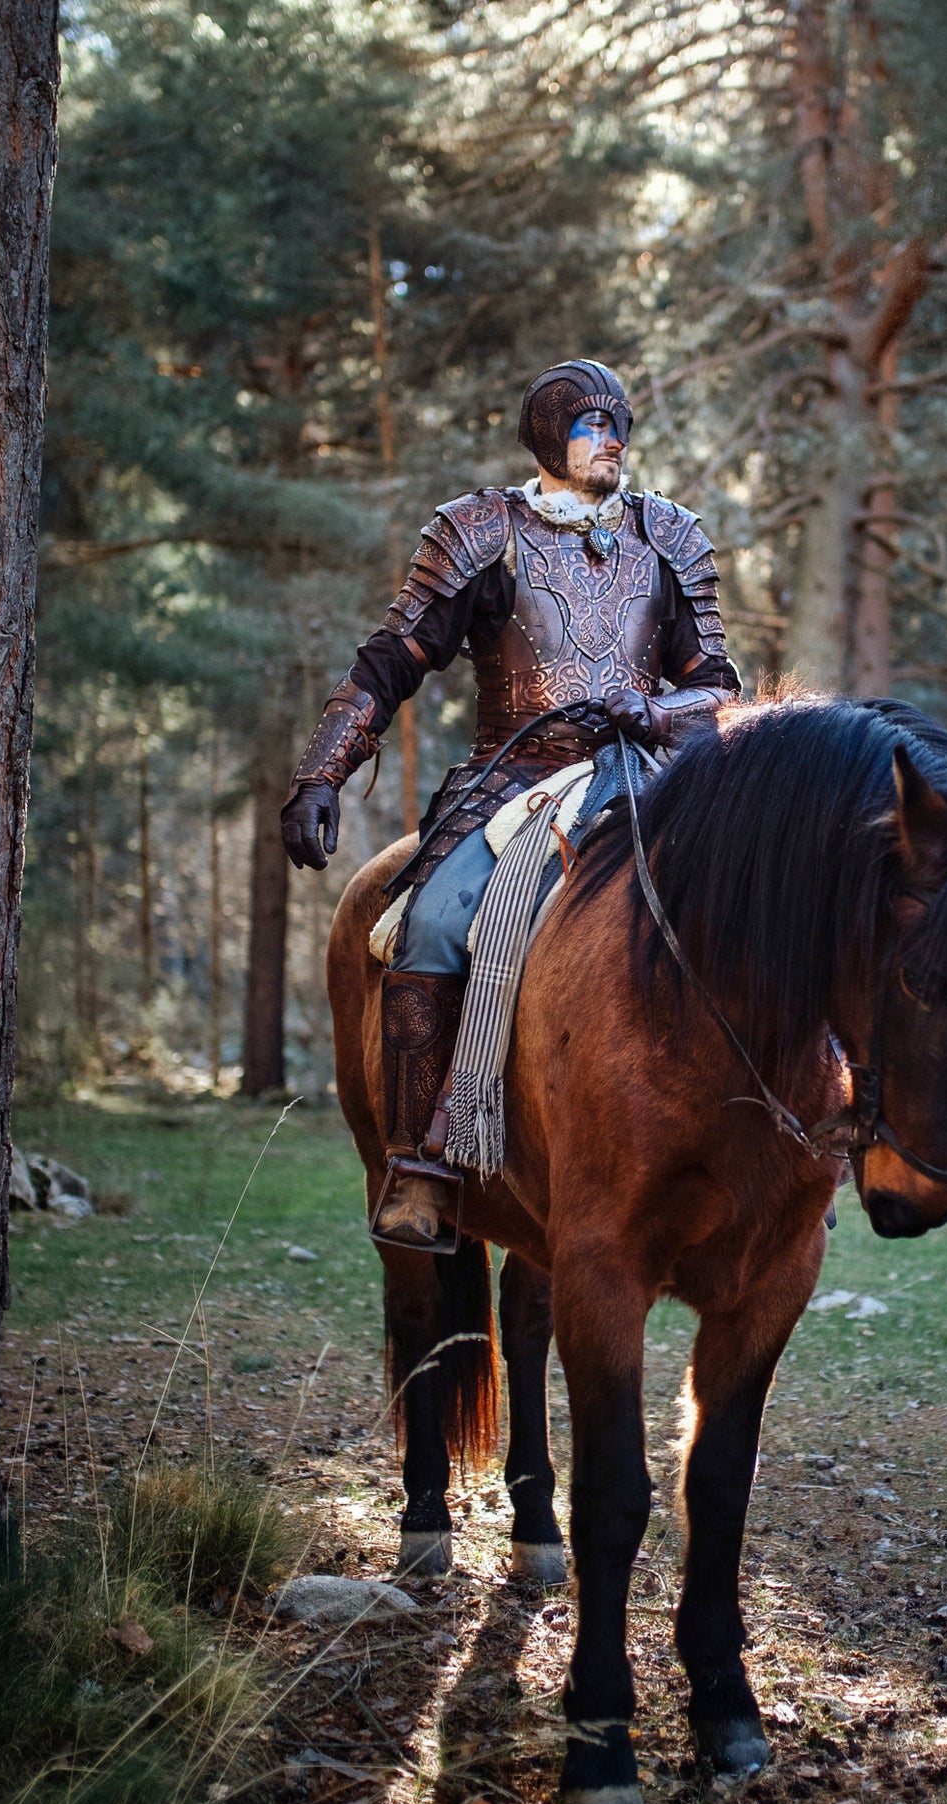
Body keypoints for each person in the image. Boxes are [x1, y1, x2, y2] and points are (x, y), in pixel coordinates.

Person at [281, 359, 741, 1246]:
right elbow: (393, 659)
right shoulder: (481, 532)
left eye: (618, 426)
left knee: (771, 906)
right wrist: (320, 773)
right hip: (515, 783)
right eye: (589, 427)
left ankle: (794, 1138)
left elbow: (716, 688)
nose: (611, 441)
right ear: (547, 440)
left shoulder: (670, 537)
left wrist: (650, 710)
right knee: (429, 927)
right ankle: (420, 1167)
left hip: (648, 781)